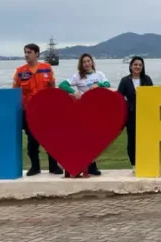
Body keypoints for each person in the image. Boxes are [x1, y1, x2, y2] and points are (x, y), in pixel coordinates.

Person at [12, 43, 63, 176]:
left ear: (37, 54)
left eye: (29, 52)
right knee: (32, 141)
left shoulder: (47, 68)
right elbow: (15, 92)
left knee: (51, 139)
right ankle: (35, 167)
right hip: (29, 112)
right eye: (25, 52)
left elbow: (52, 88)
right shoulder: (20, 71)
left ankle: (54, 166)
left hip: (46, 112)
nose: (26, 55)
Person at [58, 53, 110, 176]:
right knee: (85, 140)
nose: (87, 64)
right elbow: (62, 85)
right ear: (81, 64)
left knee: (95, 139)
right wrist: (74, 92)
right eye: (84, 62)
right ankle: (84, 165)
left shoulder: (99, 74)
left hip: (97, 110)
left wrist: (99, 85)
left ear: (92, 62)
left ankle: (92, 165)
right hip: (84, 112)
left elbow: (107, 85)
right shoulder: (77, 76)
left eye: (88, 61)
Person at [117, 56, 153, 172]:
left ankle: (146, 162)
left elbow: (152, 96)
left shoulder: (147, 79)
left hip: (145, 115)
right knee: (132, 140)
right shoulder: (125, 80)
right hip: (131, 116)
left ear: (143, 67)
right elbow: (119, 98)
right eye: (135, 64)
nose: (137, 67)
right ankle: (134, 164)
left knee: (146, 139)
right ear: (131, 66)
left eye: (140, 65)